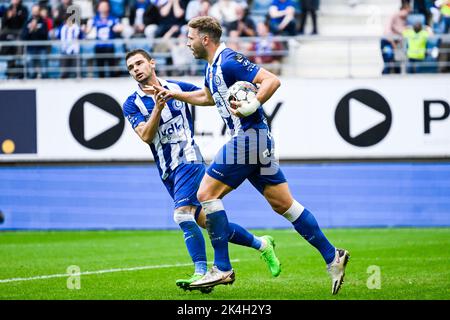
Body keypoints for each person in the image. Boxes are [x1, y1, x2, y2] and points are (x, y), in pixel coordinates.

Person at [153, 16, 350, 295]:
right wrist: (174, 95)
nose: (187, 42)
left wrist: (253, 103)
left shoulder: (229, 60)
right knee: (284, 204)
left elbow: (271, 80)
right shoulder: (211, 69)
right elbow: (208, 97)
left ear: (205, 39)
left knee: (206, 194)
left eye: (190, 37)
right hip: (257, 142)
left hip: (250, 137)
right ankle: (333, 256)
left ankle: (222, 268)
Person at [122, 48, 282, 290]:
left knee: (182, 215)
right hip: (168, 170)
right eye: (131, 67)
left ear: (151, 63)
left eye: (139, 63)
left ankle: (201, 272)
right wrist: (157, 107)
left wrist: (243, 104)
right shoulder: (131, 104)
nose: (136, 69)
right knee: (208, 222)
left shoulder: (177, 87)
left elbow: (207, 97)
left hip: (189, 159)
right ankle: (262, 244)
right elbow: (146, 135)